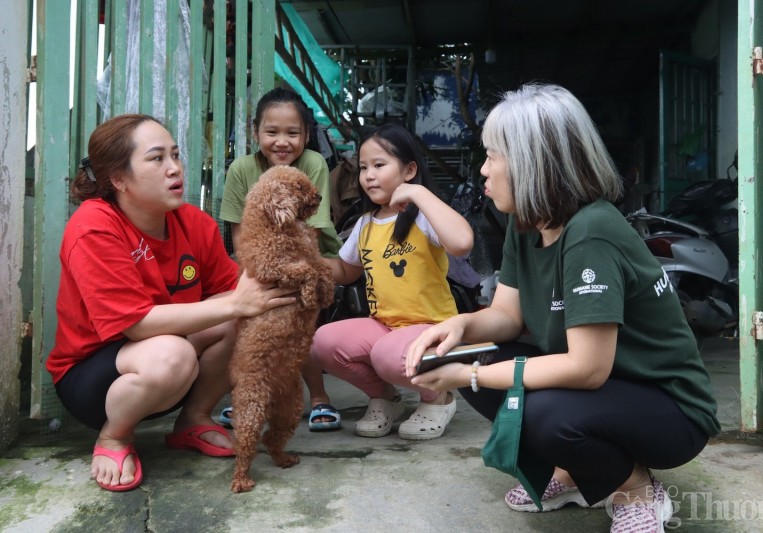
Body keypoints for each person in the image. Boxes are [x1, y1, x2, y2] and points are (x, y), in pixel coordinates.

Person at [405, 84, 720, 531]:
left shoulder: (591, 232)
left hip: (668, 409)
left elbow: (586, 369)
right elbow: (508, 317)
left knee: (539, 411)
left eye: (493, 156)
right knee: (482, 358)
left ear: (534, 162)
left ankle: (635, 489)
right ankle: (573, 473)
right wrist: (458, 327)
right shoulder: (525, 222)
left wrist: (468, 376)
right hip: (606, 391)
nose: (483, 170)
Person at [47, 114, 297, 492]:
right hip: (95, 379)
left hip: (167, 367)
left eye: (176, 156)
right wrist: (236, 304)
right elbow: (135, 325)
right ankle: (114, 437)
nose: (174, 168)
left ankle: (193, 420)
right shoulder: (94, 225)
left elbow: (235, 291)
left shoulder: (194, 223)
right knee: (175, 351)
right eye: (157, 158)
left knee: (246, 318)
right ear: (118, 179)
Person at [311, 122, 474, 440]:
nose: (368, 175)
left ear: (410, 169)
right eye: (363, 167)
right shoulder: (365, 224)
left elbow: (462, 242)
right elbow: (346, 272)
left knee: (385, 354)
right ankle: (385, 399)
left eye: (379, 165)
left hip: (433, 329)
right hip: (385, 327)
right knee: (322, 343)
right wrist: (304, 259)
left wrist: (417, 194)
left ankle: (438, 398)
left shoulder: (423, 215)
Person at [219, 87, 343, 430]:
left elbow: (310, 233)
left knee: (297, 321)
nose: (282, 142)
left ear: (306, 134)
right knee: (249, 323)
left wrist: (287, 272)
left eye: (293, 133)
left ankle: (319, 397)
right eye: (272, 132)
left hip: (309, 257)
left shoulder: (313, 163)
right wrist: (259, 272)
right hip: (257, 262)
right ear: (254, 130)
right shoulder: (242, 170)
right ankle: (247, 396)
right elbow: (239, 233)